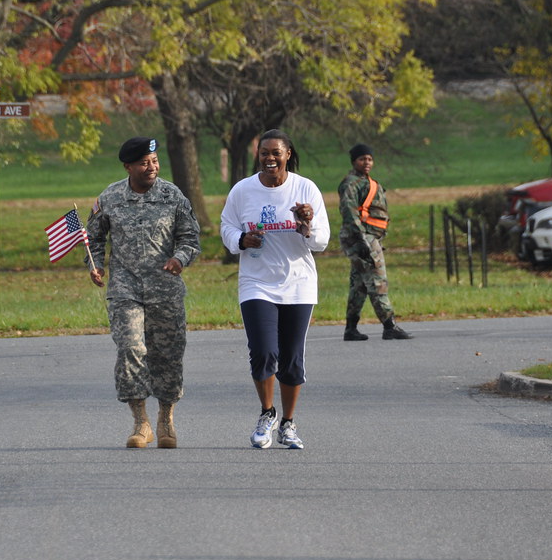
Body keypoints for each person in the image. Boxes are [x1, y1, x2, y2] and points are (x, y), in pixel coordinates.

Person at [86, 137, 202, 449]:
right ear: (128, 167)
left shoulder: (171, 195)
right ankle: (141, 422)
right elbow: (93, 237)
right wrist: (95, 264)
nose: (151, 167)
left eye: (154, 161)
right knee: (130, 349)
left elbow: (190, 236)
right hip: (125, 288)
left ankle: (166, 419)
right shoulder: (110, 197)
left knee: (167, 356)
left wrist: (180, 258)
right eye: (143, 163)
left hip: (165, 289)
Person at [220, 129, 330, 450]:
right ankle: (267, 413)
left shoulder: (305, 188)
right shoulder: (243, 191)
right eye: (264, 152)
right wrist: (241, 239)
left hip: (298, 283)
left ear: (288, 155)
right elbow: (227, 226)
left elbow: (321, 241)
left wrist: (306, 225)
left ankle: (288, 423)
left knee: (292, 358)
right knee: (264, 351)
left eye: (276, 153)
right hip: (257, 282)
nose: (270, 158)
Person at [337, 143, 413, 341]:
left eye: (370, 159)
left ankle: (350, 328)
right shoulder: (351, 184)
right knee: (378, 279)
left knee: (360, 284)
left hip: (369, 237)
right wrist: (361, 240)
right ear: (354, 161)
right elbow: (349, 211)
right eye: (362, 159)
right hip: (362, 237)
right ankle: (389, 325)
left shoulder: (367, 182)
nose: (367, 162)